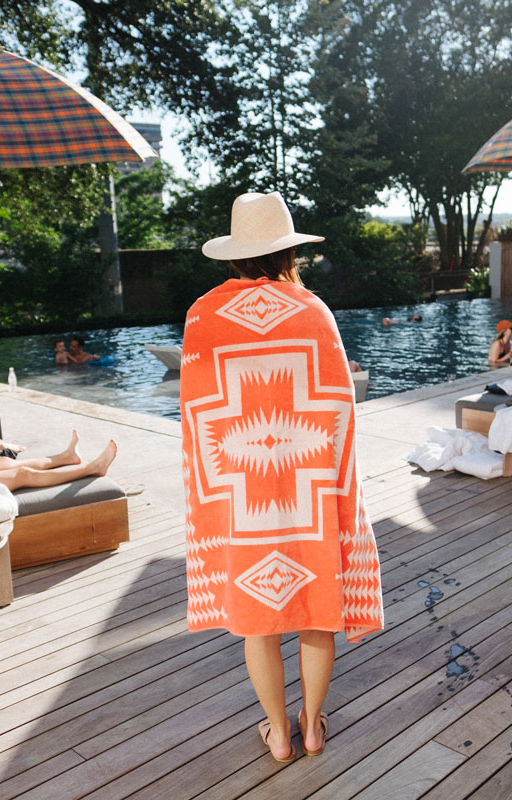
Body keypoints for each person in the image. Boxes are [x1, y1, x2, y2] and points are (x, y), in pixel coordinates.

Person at [181, 191, 383, 762]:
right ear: (287, 251)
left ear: (234, 255)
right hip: (310, 493)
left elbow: (197, 414)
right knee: (316, 610)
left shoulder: (202, 314)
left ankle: (278, 734)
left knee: (259, 620)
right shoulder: (313, 310)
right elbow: (339, 405)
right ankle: (313, 725)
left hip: (240, 493)